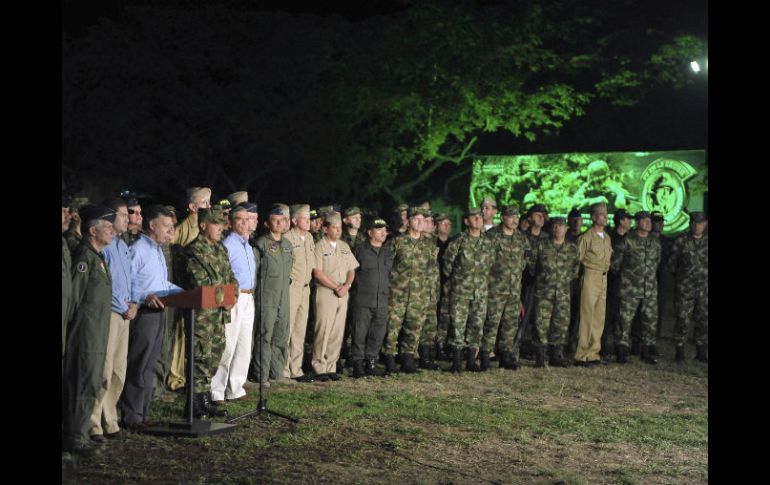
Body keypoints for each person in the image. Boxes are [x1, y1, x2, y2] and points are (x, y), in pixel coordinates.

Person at [120, 205, 182, 429]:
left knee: (149, 365)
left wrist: (187, 294)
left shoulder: (157, 250)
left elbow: (161, 284)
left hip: (160, 311)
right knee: (139, 364)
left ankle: (142, 412)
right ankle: (131, 416)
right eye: (166, 226)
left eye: (172, 227)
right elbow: (128, 280)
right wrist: (144, 297)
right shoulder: (138, 249)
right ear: (152, 225)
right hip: (144, 313)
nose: (170, 231)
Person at [62, 205, 116, 456]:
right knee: (82, 382)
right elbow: (73, 299)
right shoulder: (84, 259)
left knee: (92, 381)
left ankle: (80, 432)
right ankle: (75, 436)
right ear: (92, 231)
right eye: (107, 227)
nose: (113, 231)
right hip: (84, 334)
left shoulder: (97, 258)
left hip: (96, 332)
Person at [183, 206, 238, 417]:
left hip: (219, 314)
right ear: (203, 225)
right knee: (200, 355)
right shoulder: (193, 250)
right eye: (216, 224)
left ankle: (205, 397)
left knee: (214, 355)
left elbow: (231, 278)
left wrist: (232, 296)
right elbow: (201, 282)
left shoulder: (220, 249)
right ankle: (193, 402)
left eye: (222, 224)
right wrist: (225, 296)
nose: (221, 228)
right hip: (202, 314)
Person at [88, 199, 135, 444]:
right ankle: (94, 423)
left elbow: (130, 278)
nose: (127, 219)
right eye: (123, 215)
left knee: (119, 370)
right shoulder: (104, 246)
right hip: (110, 313)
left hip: (125, 314)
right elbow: (107, 284)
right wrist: (123, 306)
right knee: (104, 369)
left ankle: (110, 419)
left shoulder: (123, 245)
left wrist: (134, 302)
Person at [212, 203, 259, 404]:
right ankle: (216, 390)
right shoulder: (228, 244)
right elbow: (222, 274)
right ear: (230, 222)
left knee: (244, 344)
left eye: (247, 219)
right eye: (239, 219)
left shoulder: (247, 245)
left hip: (249, 296)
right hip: (234, 296)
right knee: (228, 345)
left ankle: (235, 387)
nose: (243, 223)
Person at [382, 207, 436, 373]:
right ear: (409, 221)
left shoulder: (429, 246)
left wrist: (430, 295)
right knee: (392, 328)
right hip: (397, 294)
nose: (420, 222)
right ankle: (390, 360)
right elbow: (385, 267)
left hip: (419, 295)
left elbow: (432, 272)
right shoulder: (396, 242)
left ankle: (408, 360)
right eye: (416, 219)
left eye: (423, 219)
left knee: (414, 328)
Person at [481, 205, 533, 370]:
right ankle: (485, 355)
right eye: (511, 216)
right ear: (503, 218)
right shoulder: (491, 236)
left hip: (514, 290)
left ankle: (505, 355)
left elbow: (525, 261)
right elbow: (484, 262)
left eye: (516, 216)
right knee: (491, 322)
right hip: (495, 289)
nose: (515, 220)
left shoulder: (521, 238)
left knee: (510, 323)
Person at [443, 207, 494, 372]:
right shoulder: (458, 241)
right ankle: (457, 362)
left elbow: (491, 265)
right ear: (467, 221)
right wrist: (458, 281)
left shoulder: (488, 242)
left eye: (480, 217)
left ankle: (471, 360)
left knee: (476, 326)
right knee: (458, 326)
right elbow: (447, 265)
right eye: (474, 217)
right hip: (461, 292)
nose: (478, 220)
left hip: (480, 292)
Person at [249, 204, 294, 385]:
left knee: (280, 334)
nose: (279, 223)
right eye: (275, 220)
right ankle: (261, 374)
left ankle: (277, 373)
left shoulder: (288, 245)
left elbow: (289, 269)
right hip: (267, 296)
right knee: (264, 335)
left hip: (284, 296)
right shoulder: (261, 244)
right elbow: (255, 271)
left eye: (283, 220)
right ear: (268, 224)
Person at [312, 212, 359, 380]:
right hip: (326, 292)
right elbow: (317, 273)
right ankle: (319, 366)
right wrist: (336, 287)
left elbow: (351, 270)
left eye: (340, 228)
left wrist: (346, 285)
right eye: (334, 228)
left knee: (337, 332)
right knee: (323, 330)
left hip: (343, 293)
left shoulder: (344, 246)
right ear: (325, 229)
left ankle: (331, 365)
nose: (338, 231)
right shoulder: (319, 246)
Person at [610, 211, 661, 364]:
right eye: (644, 220)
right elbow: (615, 265)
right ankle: (622, 351)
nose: (648, 223)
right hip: (629, 289)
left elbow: (656, 263)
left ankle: (647, 352)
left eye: (649, 220)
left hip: (649, 289)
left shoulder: (655, 242)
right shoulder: (627, 240)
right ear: (638, 222)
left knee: (650, 321)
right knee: (624, 321)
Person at [531, 217, 580, 367]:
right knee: (541, 323)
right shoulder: (541, 246)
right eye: (555, 226)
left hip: (563, 293)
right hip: (544, 293)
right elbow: (532, 266)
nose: (557, 228)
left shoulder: (572, 249)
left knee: (561, 324)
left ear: (566, 229)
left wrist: (562, 281)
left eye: (561, 226)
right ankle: (540, 356)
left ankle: (556, 355)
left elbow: (575, 270)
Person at [349, 216, 393, 377]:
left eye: (384, 230)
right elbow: (350, 272)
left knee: (378, 333)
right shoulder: (359, 251)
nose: (383, 233)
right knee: (359, 333)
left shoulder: (387, 253)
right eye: (379, 229)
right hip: (362, 300)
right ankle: (358, 364)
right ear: (369, 232)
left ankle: (371, 363)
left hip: (381, 301)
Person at [574, 203, 613, 366]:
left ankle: (593, 352)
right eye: (601, 215)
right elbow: (577, 258)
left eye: (605, 214)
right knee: (587, 315)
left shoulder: (607, 237)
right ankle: (581, 354)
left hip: (604, 277)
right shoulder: (586, 237)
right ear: (594, 217)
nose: (604, 217)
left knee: (599, 316)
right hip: (590, 275)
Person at [667, 211, 708, 363]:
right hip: (685, 290)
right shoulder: (681, 241)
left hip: (704, 290)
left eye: (700, 223)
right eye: (694, 223)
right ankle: (679, 351)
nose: (696, 226)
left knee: (704, 320)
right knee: (682, 320)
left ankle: (701, 351)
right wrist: (683, 279)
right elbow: (672, 265)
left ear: (705, 224)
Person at [283, 204, 316, 383]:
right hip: (292, 286)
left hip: (306, 287)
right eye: (305, 218)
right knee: (287, 329)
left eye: (309, 218)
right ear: (295, 220)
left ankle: (296, 368)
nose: (308, 221)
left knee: (300, 330)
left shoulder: (310, 238)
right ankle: (283, 369)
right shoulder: (287, 238)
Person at [601, 209, 632, 358]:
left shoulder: (630, 238)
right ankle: (604, 347)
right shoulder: (610, 237)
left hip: (626, 286)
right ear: (621, 221)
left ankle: (618, 347)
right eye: (628, 219)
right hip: (611, 283)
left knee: (621, 317)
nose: (630, 222)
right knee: (608, 316)